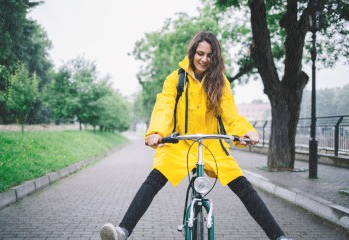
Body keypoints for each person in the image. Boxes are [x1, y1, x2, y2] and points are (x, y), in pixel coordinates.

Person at [100, 31, 291, 240]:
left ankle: (279, 237)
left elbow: (230, 113)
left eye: (209, 56)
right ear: (192, 53)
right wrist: (156, 132)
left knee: (244, 188)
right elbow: (164, 106)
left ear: (214, 58)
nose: (204, 59)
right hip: (180, 145)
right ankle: (123, 231)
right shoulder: (175, 79)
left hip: (212, 147)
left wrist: (245, 131)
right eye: (200, 53)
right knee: (153, 181)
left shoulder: (220, 82)